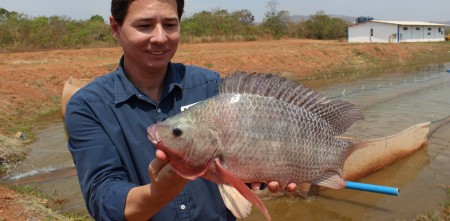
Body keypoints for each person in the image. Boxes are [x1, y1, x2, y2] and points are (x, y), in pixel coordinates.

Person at [65, 0, 296, 220]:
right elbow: (103, 198)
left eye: (170, 25)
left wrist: (263, 169)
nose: (160, 37)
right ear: (116, 28)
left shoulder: (211, 86)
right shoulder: (88, 106)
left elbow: (241, 157)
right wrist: (159, 192)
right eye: (145, 25)